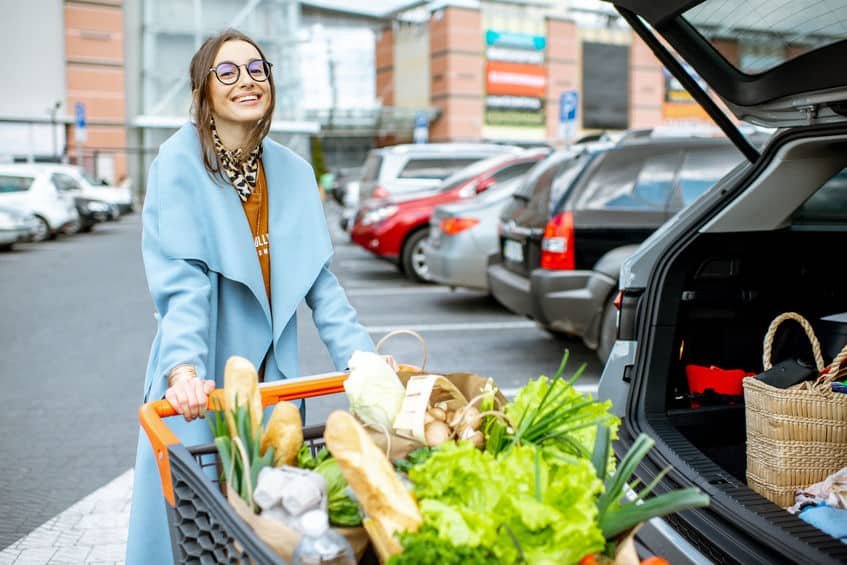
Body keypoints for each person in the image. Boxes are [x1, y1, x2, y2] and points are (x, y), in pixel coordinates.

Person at [126, 29, 378, 564]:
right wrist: (184, 370)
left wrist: (365, 362)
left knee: (270, 538)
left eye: (257, 68)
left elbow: (322, 286)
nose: (247, 80)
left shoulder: (293, 171)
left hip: (274, 394)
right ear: (204, 90)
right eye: (228, 71)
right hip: (203, 387)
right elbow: (183, 285)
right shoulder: (178, 165)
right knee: (193, 540)